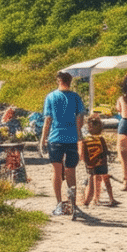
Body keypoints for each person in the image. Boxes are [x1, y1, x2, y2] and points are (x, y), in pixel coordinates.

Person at [40, 71, 85, 216]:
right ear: (70, 82)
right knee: (71, 170)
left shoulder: (51, 97)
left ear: (58, 81)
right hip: (71, 138)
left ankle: (59, 203)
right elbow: (80, 117)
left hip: (56, 138)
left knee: (56, 172)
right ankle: (73, 203)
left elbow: (48, 120)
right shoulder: (75, 97)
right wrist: (79, 135)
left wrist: (42, 139)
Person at [80, 116, 117, 207]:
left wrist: (86, 161)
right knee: (101, 180)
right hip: (98, 163)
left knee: (97, 180)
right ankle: (102, 198)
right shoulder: (95, 139)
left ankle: (93, 200)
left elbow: (84, 152)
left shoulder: (88, 140)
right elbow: (104, 151)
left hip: (95, 163)